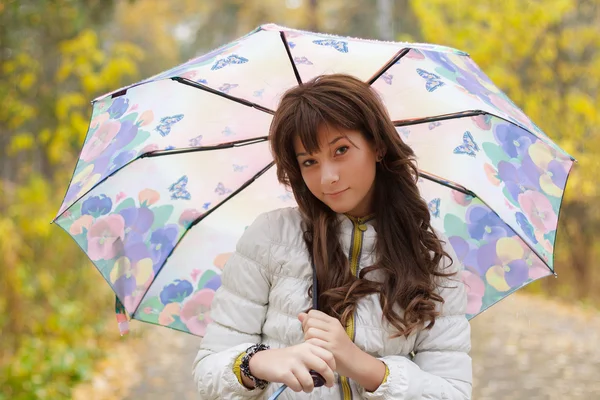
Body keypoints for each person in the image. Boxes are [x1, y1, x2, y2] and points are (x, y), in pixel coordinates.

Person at [192, 74, 472, 399]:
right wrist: (259, 362)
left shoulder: (428, 254)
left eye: (340, 150)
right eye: (309, 161)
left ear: (377, 145)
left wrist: (360, 365)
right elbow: (207, 372)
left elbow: (453, 392)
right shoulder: (269, 239)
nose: (328, 178)